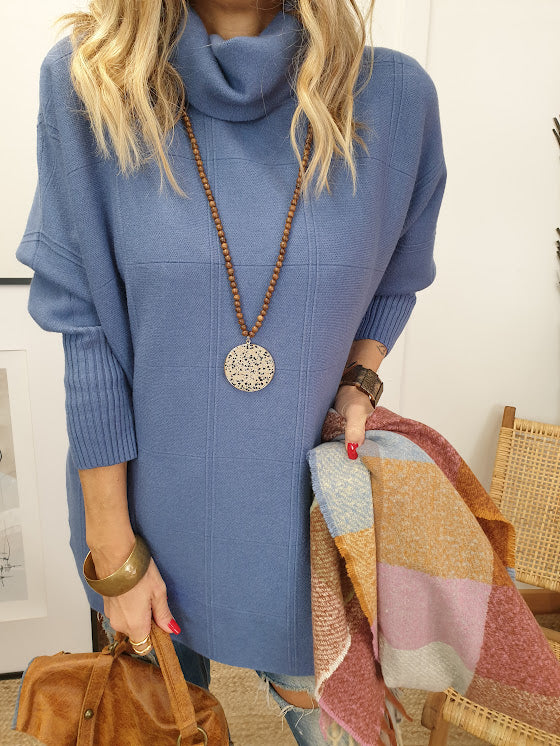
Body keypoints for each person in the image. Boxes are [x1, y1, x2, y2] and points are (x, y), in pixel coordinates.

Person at [16, 0, 446, 742]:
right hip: (144, 523)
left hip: (308, 532)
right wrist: (113, 551)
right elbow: (84, 326)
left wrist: (360, 380)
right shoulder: (92, 82)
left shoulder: (395, 97)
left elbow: (400, 276)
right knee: (158, 724)